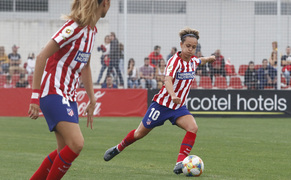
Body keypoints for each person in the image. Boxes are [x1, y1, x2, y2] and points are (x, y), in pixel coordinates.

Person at [103, 27, 215, 175]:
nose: (190, 49)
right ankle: (118, 148)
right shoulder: (174, 61)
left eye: (194, 47)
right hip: (162, 105)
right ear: (181, 45)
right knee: (139, 134)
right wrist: (173, 95)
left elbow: (201, 60)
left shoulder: (193, 61)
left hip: (178, 107)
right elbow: (167, 79)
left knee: (193, 127)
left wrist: (210, 58)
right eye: (188, 46)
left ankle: (180, 162)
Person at [28, 0, 111, 179]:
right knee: (77, 143)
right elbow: (42, 56)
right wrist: (35, 97)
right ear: (104, 3)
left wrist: (92, 98)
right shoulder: (73, 27)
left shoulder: (91, 31)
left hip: (68, 96)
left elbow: (86, 67)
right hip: (53, 92)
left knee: (63, 150)